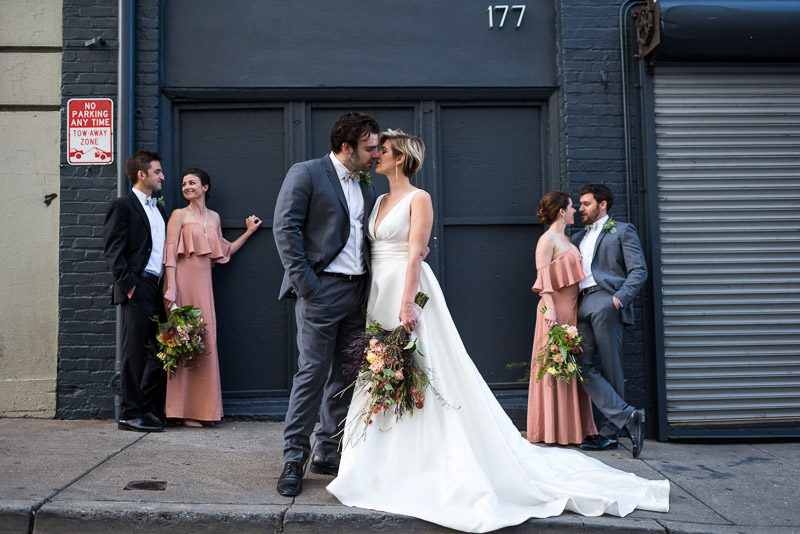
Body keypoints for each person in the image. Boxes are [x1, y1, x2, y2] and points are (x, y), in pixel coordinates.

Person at [327, 131, 669, 533]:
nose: (375, 156)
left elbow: (417, 252)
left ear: (400, 158)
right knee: (383, 369)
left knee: (421, 367)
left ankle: (428, 458)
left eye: (381, 151)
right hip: (378, 293)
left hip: (408, 290)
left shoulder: (420, 199)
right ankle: (378, 458)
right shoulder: (380, 200)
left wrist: (405, 303)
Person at [272, 112, 380, 496]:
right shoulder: (307, 173)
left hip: (357, 294)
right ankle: (293, 459)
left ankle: (328, 452)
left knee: (346, 376)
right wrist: (308, 286)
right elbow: (285, 227)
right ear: (346, 147)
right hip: (321, 291)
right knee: (312, 373)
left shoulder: (366, 185)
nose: (376, 154)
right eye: (369, 148)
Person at [162, 168, 261, 427]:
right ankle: (182, 412)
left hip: (204, 285)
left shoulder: (214, 217)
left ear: (205, 187)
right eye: (183, 183)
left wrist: (249, 232)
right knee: (183, 342)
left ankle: (205, 411)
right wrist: (171, 288)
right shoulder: (178, 215)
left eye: (192, 183)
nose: (187, 187)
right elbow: (170, 253)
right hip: (182, 283)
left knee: (205, 342)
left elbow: (224, 251)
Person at [572, 183, 648, 458]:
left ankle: (608, 434)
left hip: (607, 301)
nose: (581, 208)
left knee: (612, 367)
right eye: (579, 204)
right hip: (582, 303)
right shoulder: (578, 236)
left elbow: (639, 270)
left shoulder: (622, 230)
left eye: (586, 203)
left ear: (602, 205)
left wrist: (618, 299)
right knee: (579, 366)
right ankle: (629, 417)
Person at [103, 150, 168, 433]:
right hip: (138, 285)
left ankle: (146, 408)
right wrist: (130, 286)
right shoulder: (124, 206)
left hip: (156, 286)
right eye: (157, 171)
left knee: (160, 351)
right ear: (141, 175)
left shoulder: (158, 208)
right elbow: (113, 250)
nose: (162, 176)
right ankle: (129, 413)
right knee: (134, 352)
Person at [526, 191, 597, 445]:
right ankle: (552, 430)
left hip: (572, 311)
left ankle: (572, 429)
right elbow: (543, 276)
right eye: (571, 207)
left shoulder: (566, 239)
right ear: (561, 211)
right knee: (555, 367)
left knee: (569, 367)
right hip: (553, 312)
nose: (575, 211)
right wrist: (551, 310)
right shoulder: (547, 240)